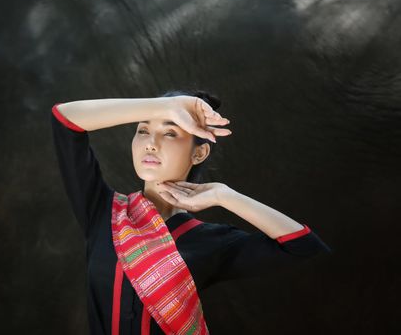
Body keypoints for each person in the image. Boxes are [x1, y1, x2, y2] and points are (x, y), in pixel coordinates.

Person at [49, 90, 331, 335]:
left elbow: (303, 246)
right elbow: (64, 119)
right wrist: (163, 107)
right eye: (143, 130)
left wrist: (225, 195)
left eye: (170, 132)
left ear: (199, 154)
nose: (150, 143)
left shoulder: (210, 240)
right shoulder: (105, 212)